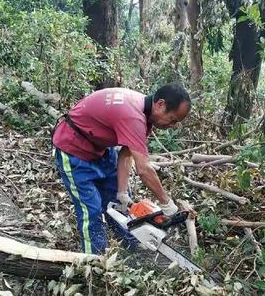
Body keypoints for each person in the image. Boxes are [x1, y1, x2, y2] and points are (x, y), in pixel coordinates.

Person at [52, 83, 191, 254]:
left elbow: (126, 152)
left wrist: (122, 192)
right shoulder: (133, 116)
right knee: (92, 210)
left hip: (101, 148)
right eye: (172, 119)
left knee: (118, 203)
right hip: (74, 148)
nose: (172, 125)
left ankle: (132, 248)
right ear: (160, 104)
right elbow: (143, 169)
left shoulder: (144, 114)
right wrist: (166, 203)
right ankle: (94, 262)